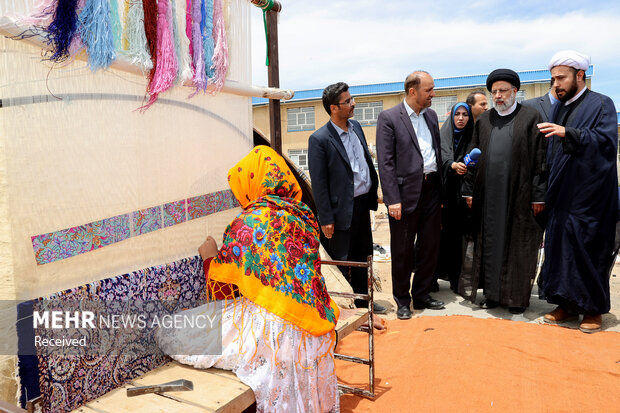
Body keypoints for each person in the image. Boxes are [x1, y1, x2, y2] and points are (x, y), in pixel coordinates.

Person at [158, 146, 341, 412]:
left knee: (172, 331)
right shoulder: (304, 218)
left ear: (253, 184)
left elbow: (223, 293)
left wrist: (210, 258)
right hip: (314, 333)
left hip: (273, 336)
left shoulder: (248, 223)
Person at [537, 50, 618, 333]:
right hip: (561, 195)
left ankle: (592, 309)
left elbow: (606, 142)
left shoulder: (602, 104)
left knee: (588, 251)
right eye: (553, 78)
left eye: (561, 78)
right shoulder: (559, 107)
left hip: (591, 197)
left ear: (579, 75)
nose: (555, 84)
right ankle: (565, 305)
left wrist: (568, 133)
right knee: (560, 250)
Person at [461, 68, 547, 314]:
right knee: (490, 244)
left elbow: (540, 159)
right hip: (488, 197)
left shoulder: (531, 117)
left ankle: (516, 298)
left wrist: (539, 195)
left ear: (515, 92)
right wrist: (469, 191)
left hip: (519, 196)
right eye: (494, 91)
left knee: (518, 245)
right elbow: (472, 157)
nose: (498, 96)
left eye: (503, 91)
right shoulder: (484, 120)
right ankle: (492, 294)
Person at [308, 82, 386, 314]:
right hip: (339, 211)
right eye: (348, 101)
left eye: (352, 99)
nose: (353, 104)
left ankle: (363, 302)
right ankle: (344, 308)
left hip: (361, 206)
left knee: (363, 257)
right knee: (341, 260)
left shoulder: (357, 128)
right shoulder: (319, 139)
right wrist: (326, 218)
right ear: (334, 108)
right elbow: (319, 184)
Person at [376, 71, 444, 319]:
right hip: (404, 195)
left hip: (432, 188)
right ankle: (403, 300)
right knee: (403, 249)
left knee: (429, 246)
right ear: (412, 91)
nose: (433, 95)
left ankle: (422, 295)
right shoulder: (390, 118)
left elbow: (435, 150)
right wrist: (392, 199)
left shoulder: (431, 115)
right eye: (429, 90)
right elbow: (386, 163)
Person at [435, 102, 474, 292]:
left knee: (458, 241)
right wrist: (451, 165)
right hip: (443, 197)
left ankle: (455, 280)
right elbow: (438, 159)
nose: (460, 118)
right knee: (436, 240)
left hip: (463, 199)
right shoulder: (442, 135)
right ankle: (431, 278)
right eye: (457, 114)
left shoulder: (473, 136)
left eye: (465, 114)